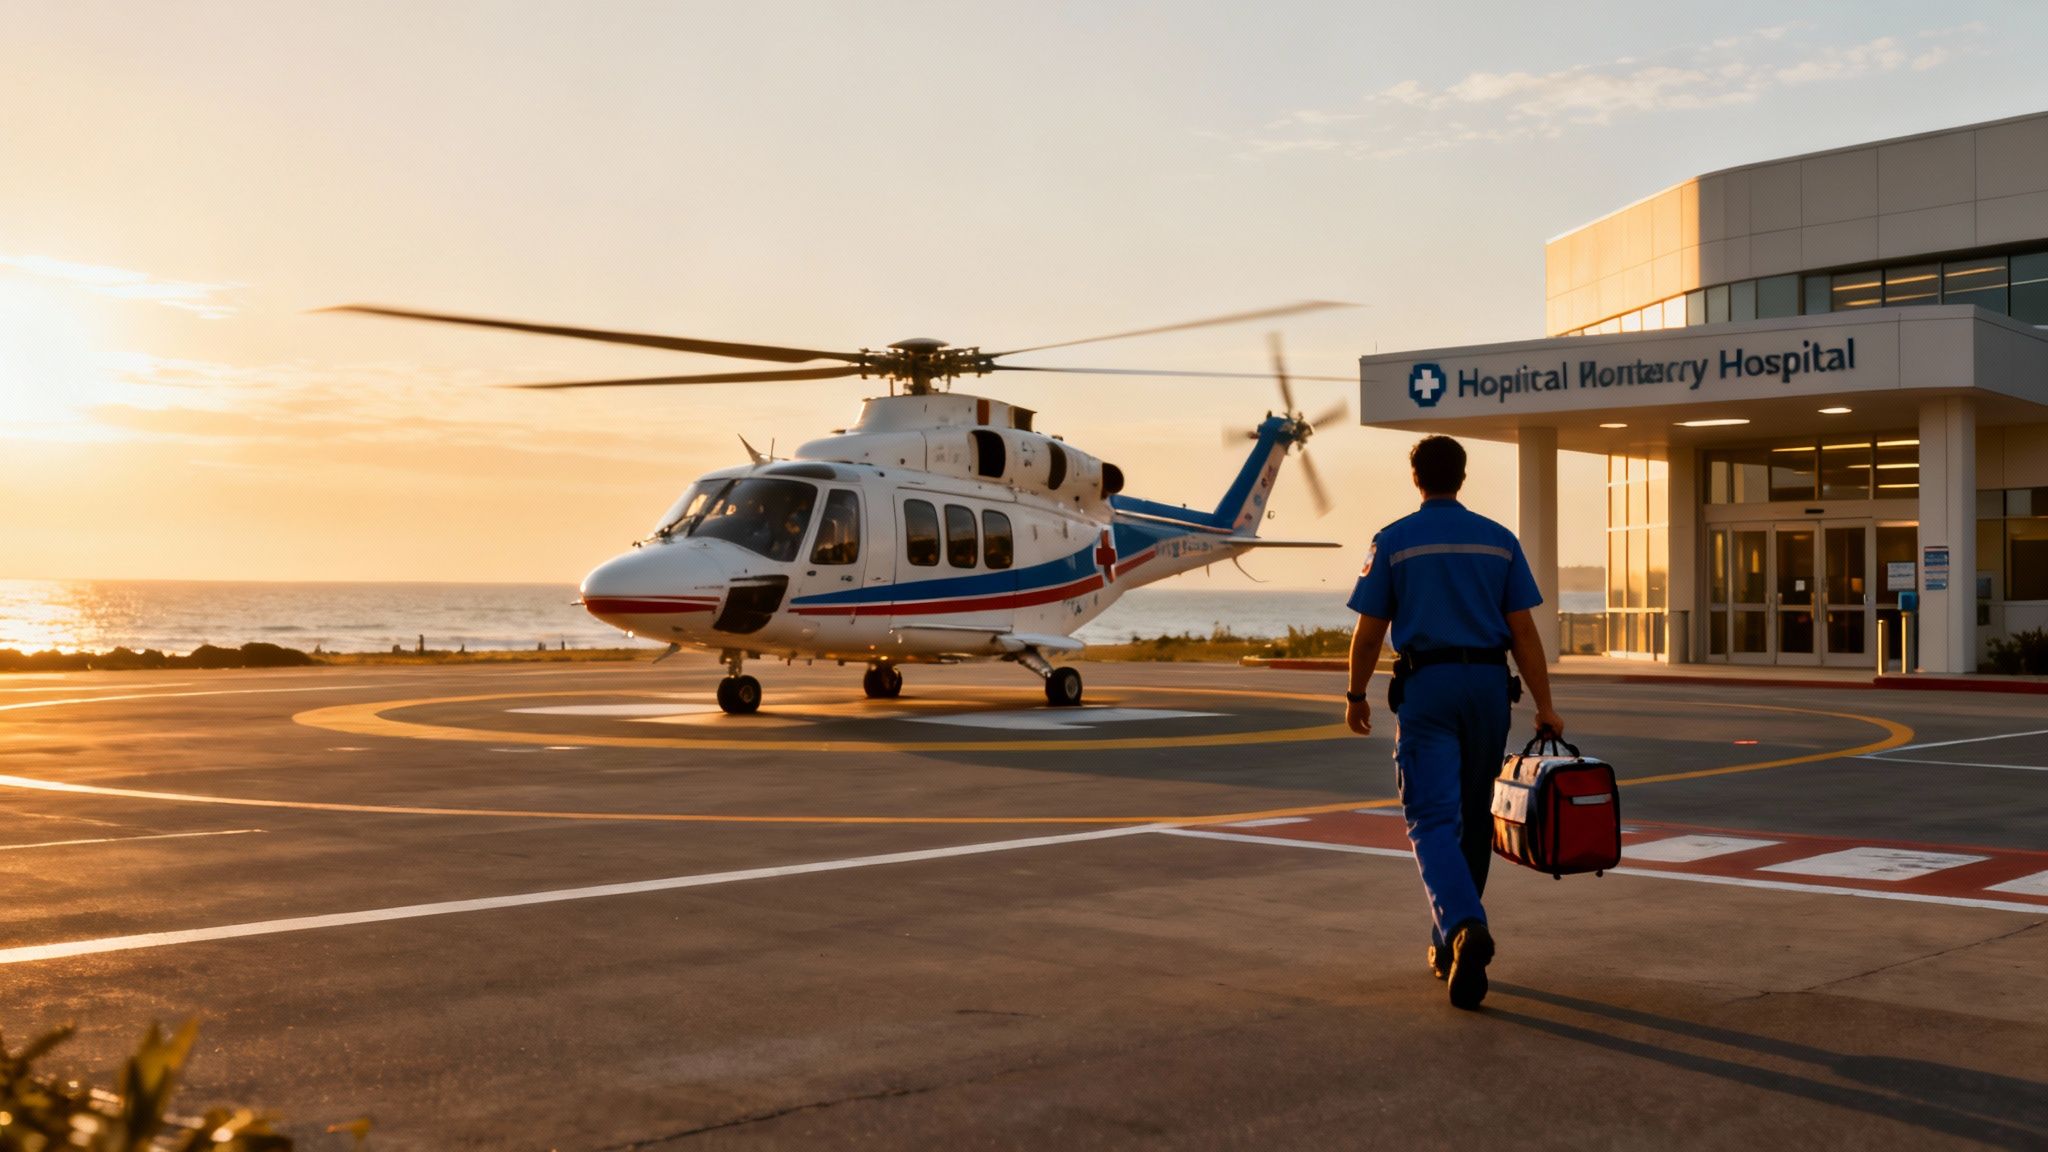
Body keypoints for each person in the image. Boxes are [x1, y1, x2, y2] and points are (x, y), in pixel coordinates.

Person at [1343, 435, 1564, 1010]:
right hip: (1489, 689)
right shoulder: (1499, 540)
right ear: (1462, 477)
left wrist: (1355, 695)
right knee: (1473, 820)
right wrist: (1545, 704)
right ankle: (1450, 943)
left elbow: (1368, 635)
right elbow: (1524, 632)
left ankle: (1465, 926)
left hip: (1429, 688)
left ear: (1416, 478)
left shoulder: (1392, 541)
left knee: (1431, 821)